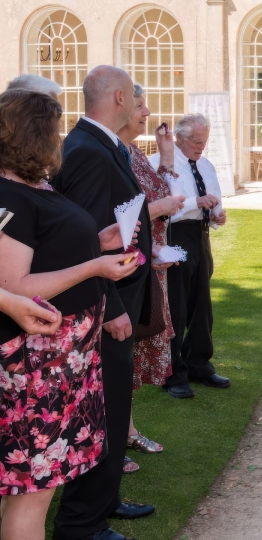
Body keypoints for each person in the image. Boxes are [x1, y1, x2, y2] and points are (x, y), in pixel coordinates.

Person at [0, 89, 138, 540]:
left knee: (32, 489)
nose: (61, 138)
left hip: (64, 365)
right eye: (55, 129)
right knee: (30, 493)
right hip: (36, 367)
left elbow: (45, 252)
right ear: (33, 135)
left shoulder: (30, 185)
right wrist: (95, 266)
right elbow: (15, 287)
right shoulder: (10, 195)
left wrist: (96, 242)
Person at [52, 66, 155, 540]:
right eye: (134, 96)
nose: (137, 104)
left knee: (112, 405)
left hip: (118, 297)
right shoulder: (89, 152)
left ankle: (105, 500)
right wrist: (113, 307)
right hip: (104, 304)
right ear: (119, 97)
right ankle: (84, 521)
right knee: (102, 408)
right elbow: (83, 242)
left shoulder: (101, 145)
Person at [117, 84, 185, 472]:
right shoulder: (114, 155)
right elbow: (128, 212)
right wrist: (159, 213)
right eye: (140, 106)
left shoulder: (134, 152)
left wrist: (166, 153)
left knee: (132, 356)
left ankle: (126, 430)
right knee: (120, 357)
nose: (147, 113)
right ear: (120, 106)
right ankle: (114, 439)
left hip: (150, 263)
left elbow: (157, 192)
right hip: (131, 266)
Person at [149, 114, 228, 399]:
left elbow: (214, 198)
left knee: (201, 304)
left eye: (204, 141)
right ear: (179, 138)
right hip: (174, 235)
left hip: (200, 235)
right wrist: (197, 202)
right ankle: (172, 373)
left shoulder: (206, 165)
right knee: (176, 306)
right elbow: (165, 207)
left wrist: (218, 215)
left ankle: (199, 363)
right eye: (196, 141)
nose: (201, 146)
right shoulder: (160, 164)